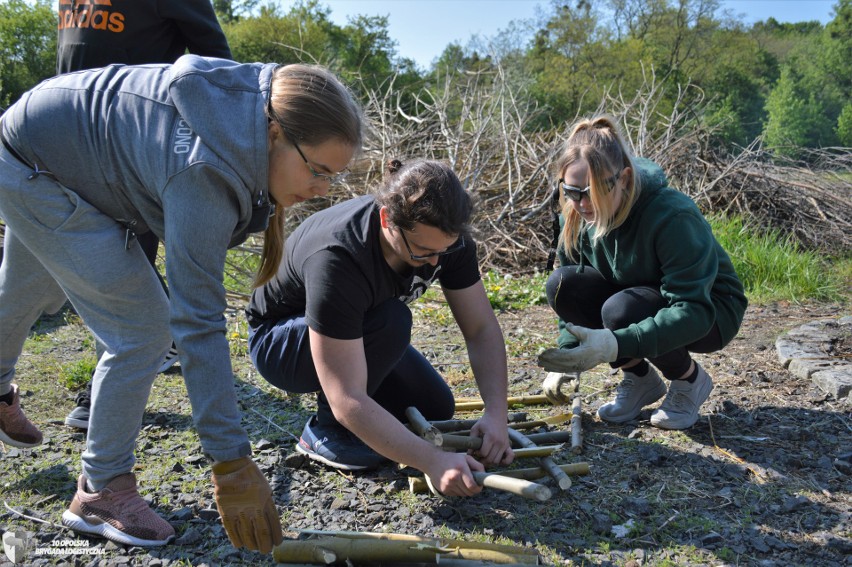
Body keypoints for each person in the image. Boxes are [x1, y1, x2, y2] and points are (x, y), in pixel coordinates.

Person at [0, 56, 363, 549]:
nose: (321, 190)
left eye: (332, 178)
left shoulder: (248, 115)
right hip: (34, 161)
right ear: (274, 132)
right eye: (317, 171)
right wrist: (231, 461)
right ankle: (101, 490)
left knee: (28, 287)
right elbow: (196, 322)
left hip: (51, 140)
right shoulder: (206, 172)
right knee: (145, 330)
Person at [246, 159, 515, 496]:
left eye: (442, 251)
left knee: (433, 407)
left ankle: (369, 422)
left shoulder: (446, 241)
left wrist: (495, 414)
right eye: (423, 251)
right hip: (280, 341)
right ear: (388, 220)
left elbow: (480, 330)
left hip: (356, 330)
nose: (435, 262)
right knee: (392, 319)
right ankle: (325, 432)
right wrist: (432, 461)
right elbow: (346, 397)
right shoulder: (339, 256)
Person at [57, 0, 234, 431]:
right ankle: (163, 331)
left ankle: (105, 391)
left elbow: (217, 62)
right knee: (82, 253)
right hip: (68, 125)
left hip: (135, 135)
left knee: (119, 255)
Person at [537, 115, 747, 430]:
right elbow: (574, 288)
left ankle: (689, 381)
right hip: (636, 294)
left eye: (591, 192)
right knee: (562, 285)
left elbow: (694, 309)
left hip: (710, 310)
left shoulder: (672, 215)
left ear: (622, 178)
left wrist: (613, 344)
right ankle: (640, 379)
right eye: (571, 191)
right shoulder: (577, 214)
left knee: (621, 311)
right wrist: (568, 353)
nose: (581, 203)